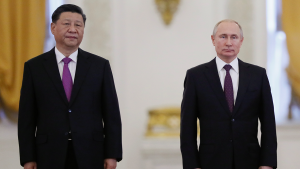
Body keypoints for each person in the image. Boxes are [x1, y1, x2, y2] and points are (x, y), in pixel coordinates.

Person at [18, 4, 122, 169]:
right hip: (48, 154)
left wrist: (112, 154)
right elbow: (26, 118)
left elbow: (111, 114)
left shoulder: (99, 66)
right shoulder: (34, 68)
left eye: (78, 25)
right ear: (53, 27)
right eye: (67, 24)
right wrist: (27, 158)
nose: (73, 29)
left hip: (91, 152)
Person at [180, 19, 277, 169]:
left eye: (234, 37)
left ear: (241, 41)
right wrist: (192, 166)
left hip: (250, 162)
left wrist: (267, 164)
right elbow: (187, 127)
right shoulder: (196, 76)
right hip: (210, 162)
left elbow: (268, 123)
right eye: (223, 36)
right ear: (213, 40)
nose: (229, 43)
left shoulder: (258, 75)